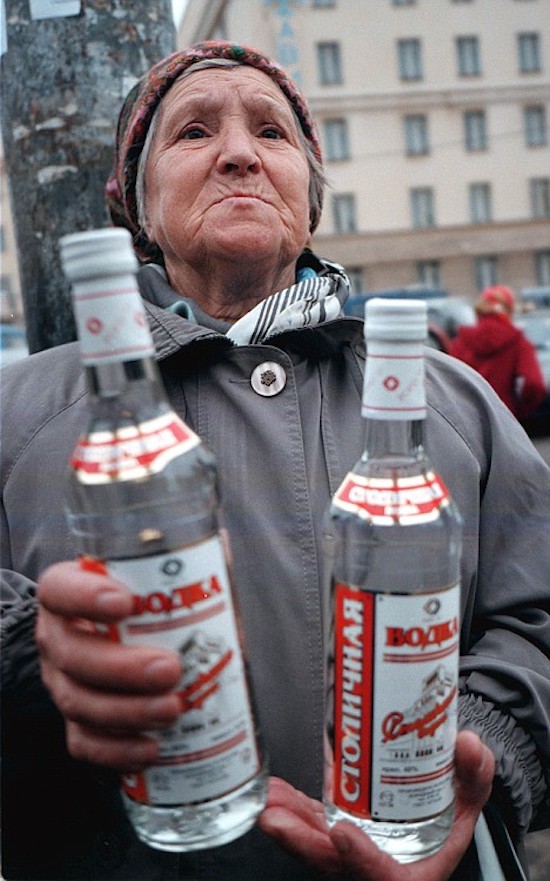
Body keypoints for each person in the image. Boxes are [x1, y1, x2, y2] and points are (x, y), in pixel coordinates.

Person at [1, 40, 549, 881]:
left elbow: (537, 617)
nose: (238, 152)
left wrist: (469, 753)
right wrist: (26, 663)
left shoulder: (454, 399)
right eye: (192, 133)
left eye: (271, 130)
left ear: (308, 195)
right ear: (138, 212)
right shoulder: (21, 412)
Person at [449, 284, 546, 422]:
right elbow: (534, 384)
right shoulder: (517, 342)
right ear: (509, 310)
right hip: (504, 417)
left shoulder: (461, 342)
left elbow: (449, 382)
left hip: (467, 419)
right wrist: (523, 409)